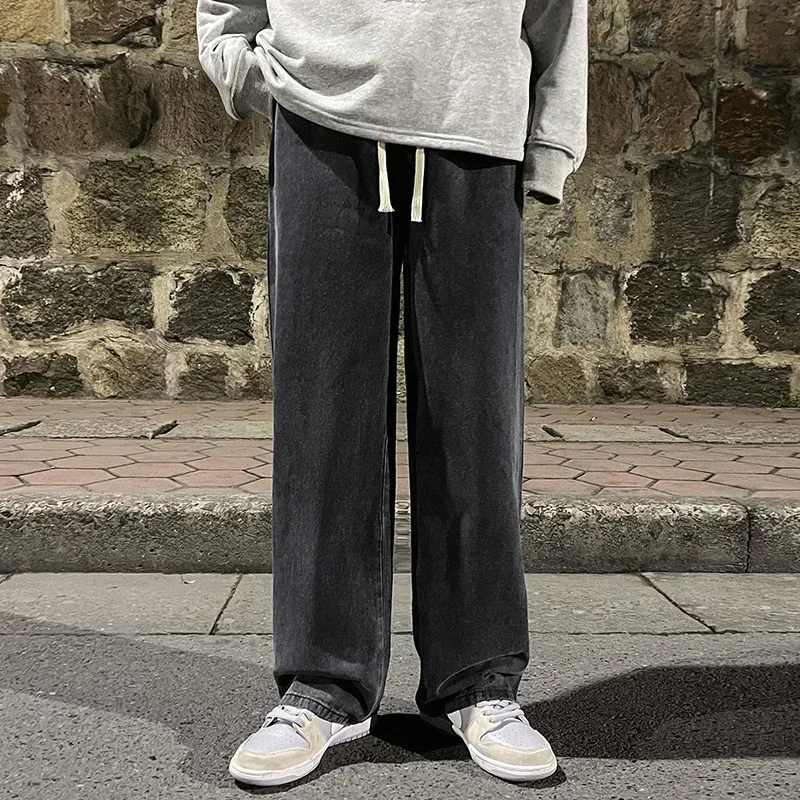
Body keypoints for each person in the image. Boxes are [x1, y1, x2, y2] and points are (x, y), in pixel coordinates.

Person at [196, 0, 587, 787]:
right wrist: (245, 67)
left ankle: (478, 681)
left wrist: (549, 143)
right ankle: (322, 685)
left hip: (475, 120)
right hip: (321, 117)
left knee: (474, 421)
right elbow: (225, 14)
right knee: (322, 418)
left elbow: (559, 13)